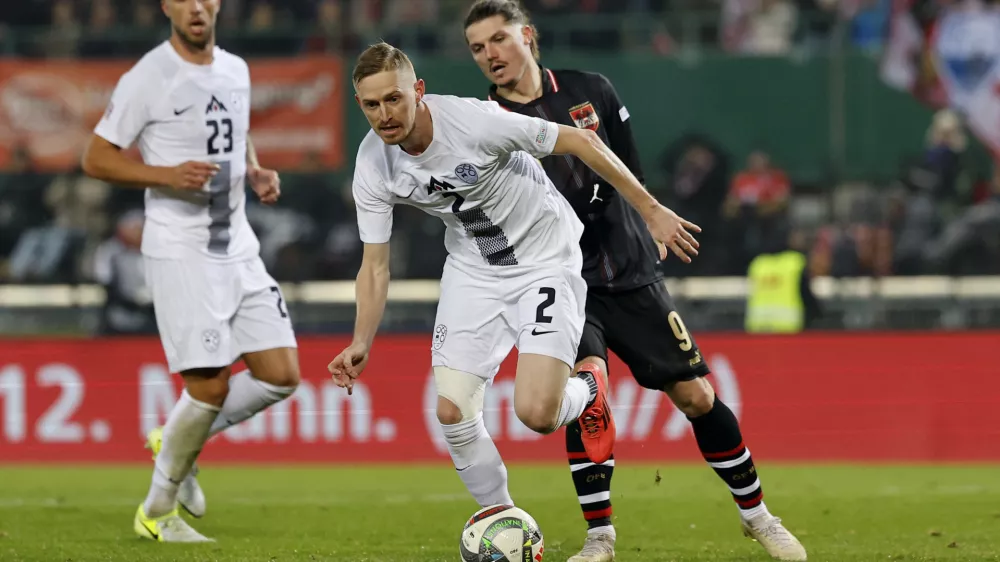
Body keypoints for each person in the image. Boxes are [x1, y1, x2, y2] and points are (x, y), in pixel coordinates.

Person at [462, 2, 807, 561]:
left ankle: (759, 517)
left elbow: (629, 171)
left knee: (696, 396)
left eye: (498, 39)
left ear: (527, 35)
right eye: (478, 49)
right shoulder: (485, 123)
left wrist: (653, 213)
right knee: (588, 394)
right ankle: (601, 538)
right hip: (559, 280)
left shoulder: (590, 89)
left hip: (627, 270)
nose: (490, 55)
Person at [327, 42, 701, 518]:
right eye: (371, 105)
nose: (384, 115)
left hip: (545, 259)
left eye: (394, 99)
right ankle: (504, 523)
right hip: (474, 270)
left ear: (418, 91)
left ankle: (589, 390)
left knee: (537, 414)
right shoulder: (372, 164)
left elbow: (582, 141)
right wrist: (362, 339)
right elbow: (374, 264)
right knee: (452, 413)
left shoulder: (476, 122)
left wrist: (650, 209)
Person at [81, 0, 300, 543]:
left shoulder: (235, 69)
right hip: (181, 250)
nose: (197, 7)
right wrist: (165, 175)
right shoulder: (149, 77)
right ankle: (157, 511)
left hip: (238, 245)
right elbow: (96, 158)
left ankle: (173, 439)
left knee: (281, 375)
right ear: (167, 7)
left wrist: (252, 170)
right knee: (209, 387)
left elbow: (235, 130)